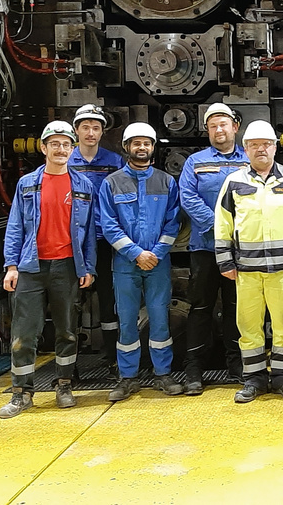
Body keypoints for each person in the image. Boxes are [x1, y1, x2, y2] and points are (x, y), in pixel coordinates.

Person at [0, 121, 97, 418]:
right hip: (31, 266)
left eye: (66, 144)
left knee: (67, 331)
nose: (61, 149)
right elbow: (15, 226)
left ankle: (64, 386)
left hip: (67, 266)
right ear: (43, 148)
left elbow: (89, 232)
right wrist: (11, 265)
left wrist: (87, 266)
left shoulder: (83, 186)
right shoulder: (27, 183)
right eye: (54, 144)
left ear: (73, 148)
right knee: (24, 333)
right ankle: (21, 393)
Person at [215, 120, 283, 403]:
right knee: (248, 328)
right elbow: (223, 223)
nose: (261, 149)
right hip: (246, 271)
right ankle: (255, 380)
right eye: (254, 145)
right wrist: (225, 261)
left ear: (275, 147)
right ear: (245, 149)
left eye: (266, 144)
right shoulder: (234, 182)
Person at [99, 122, 184, 401]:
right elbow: (109, 225)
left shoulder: (166, 181)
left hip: (157, 264)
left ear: (153, 147)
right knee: (127, 321)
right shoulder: (111, 183)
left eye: (146, 143)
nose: (142, 147)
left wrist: (155, 254)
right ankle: (127, 378)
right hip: (125, 264)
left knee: (160, 319)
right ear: (126, 147)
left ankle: (163, 374)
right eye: (136, 143)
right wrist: (137, 254)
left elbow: (173, 222)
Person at [177, 103, 249, 394]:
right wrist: (220, 227)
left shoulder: (249, 161)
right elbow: (188, 198)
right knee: (201, 308)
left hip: (241, 250)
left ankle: (237, 366)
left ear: (235, 127)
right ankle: (193, 369)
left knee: (237, 309)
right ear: (207, 130)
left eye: (224, 124)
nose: (219, 130)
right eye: (213, 126)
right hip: (205, 249)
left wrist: (236, 232)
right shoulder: (194, 162)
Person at [68, 104, 125, 366]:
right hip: (73, 243)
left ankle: (113, 358)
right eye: (85, 127)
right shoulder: (65, 162)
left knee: (108, 297)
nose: (90, 133)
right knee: (71, 299)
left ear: (102, 132)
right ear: (76, 130)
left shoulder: (115, 162)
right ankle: (70, 363)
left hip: (104, 240)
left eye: (96, 128)